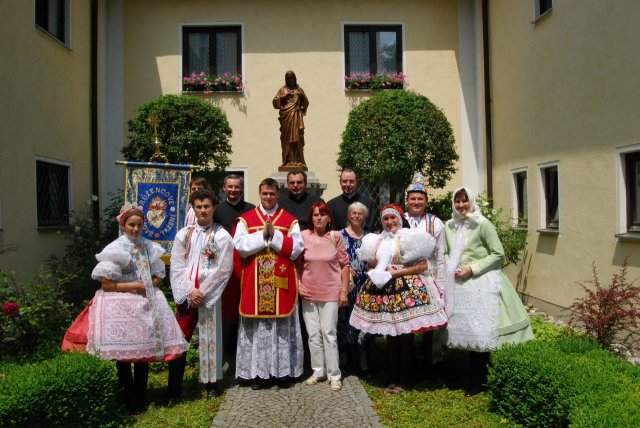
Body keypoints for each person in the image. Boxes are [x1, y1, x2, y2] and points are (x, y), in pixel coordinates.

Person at [62, 204, 189, 414]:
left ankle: (141, 396)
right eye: (131, 225)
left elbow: (158, 275)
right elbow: (106, 284)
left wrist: (151, 282)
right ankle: (128, 397)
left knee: (144, 351)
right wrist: (135, 285)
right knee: (123, 357)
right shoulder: (115, 249)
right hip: (120, 303)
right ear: (123, 225)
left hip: (145, 301)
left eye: (139, 225)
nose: (136, 230)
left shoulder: (149, 246)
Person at [443, 187, 534, 396]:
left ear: (472, 202)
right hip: (459, 284)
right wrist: (451, 267)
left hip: (482, 282)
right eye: (457, 201)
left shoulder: (482, 224)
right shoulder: (449, 225)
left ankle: (482, 379)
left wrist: (472, 268)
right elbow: (446, 252)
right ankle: (473, 376)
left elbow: (498, 254)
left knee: (483, 330)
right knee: (470, 333)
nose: (461, 205)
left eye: (465, 201)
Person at [349, 204, 448, 392]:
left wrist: (396, 273)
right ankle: (393, 377)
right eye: (385, 219)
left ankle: (406, 379)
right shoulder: (376, 241)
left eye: (393, 218)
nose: (389, 222)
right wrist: (375, 273)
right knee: (391, 337)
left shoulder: (409, 237)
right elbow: (371, 265)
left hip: (405, 290)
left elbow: (423, 265)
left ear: (400, 219)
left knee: (405, 337)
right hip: (384, 291)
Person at [233, 178, 305, 389]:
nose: (268, 197)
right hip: (254, 284)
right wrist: (262, 234)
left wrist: (274, 236)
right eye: (264, 194)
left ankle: (282, 373)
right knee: (257, 330)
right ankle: (258, 374)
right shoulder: (246, 220)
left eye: (272, 194)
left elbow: (296, 249)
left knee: (281, 328)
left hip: (280, 282)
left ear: (278, 194)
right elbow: (239, 246)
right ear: (259, 193)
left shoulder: (290, 220)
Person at [168, 189, 233, 400]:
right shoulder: (184, 234)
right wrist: (189, 291)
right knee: (181, 337)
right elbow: (177, 265)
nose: (203, 210)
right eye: (199, 206)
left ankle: (211, 383)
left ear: (214, 208)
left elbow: (223, 269)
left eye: (206, 206)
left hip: (209, 295)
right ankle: (174, 385)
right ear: (193, 209)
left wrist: (203, 292)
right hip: (187, 294)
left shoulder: (222, 236)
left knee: (210, 338)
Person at [298, 202, 350, 391]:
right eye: (315, 215)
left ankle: (334, 374)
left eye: (322, 214)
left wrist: (343, 290)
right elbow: (296, 263)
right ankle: (318, 371)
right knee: (313, 334)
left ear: (329, 218)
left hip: (330, 291)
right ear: (310, 218)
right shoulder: (303, 236)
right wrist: (298, 284)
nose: (319, 218)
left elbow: (345, 264)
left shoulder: (335, 237)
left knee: (329, 333)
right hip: (308, 291)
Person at [404, 172, 448, 367]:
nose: (416, 202)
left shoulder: (435, 222)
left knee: (429, 322)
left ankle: (430, 363)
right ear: (407, 201)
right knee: (407, 320)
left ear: (426, 201)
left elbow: (440, 255)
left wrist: (442, 283)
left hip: (427, 276)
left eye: (420, 198)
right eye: (412, 198)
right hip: (403, 276)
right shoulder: (399, 219)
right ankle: (408, 362)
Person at [212, 173, 256, 370]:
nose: (233, 190)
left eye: (237, 187)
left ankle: (246, 350)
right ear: (224, 188)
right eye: (230, 187)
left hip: (247, 264)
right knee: (227, 308)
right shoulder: (217, 210)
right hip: (223, 263)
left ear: (241, 188)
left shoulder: (250, 210)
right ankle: (228, 353)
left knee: (244, 304)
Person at [336, 202, 371, 376]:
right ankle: (343, 360)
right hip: (345, 284)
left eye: (360, 213)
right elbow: (334, 259)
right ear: (349, 216)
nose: (357, 216)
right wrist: (347, 269)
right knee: (343, 321)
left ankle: (362, 362)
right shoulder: (339, 236)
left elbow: (375, 259)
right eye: (354, 213)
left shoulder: (370, 237)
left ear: (364, 217)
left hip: (365, 285)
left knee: (363, 323)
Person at [273, 70, 309, 167]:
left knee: (298, 139)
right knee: (286, 140)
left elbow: (306, 103)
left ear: (294, 79)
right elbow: (275, 102)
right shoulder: (282, 90)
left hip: (296, 117)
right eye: (288, 79)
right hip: (286, 117)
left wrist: (302, 97)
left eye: (291, 78)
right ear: (285, 80)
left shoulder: (299, 90)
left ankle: (299, 161)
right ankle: (286, 161)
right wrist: (284, 97)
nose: (290, 81)